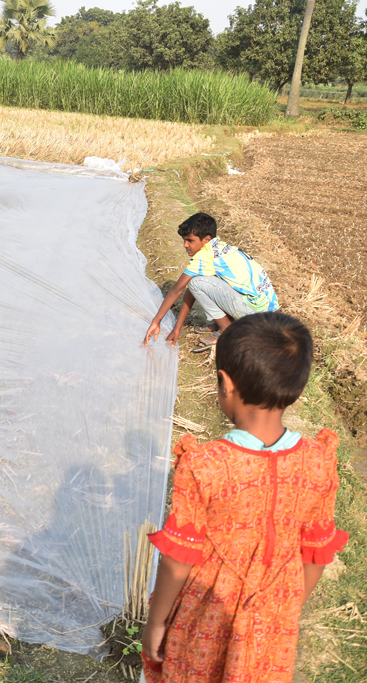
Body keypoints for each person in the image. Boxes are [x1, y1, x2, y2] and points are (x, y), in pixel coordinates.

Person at [140, 312, 347, 683]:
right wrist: (285, 608)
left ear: (225, 383)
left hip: (206, 614)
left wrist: (156, 622)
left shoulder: (204, 465)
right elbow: (315, 552)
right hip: (273, 618)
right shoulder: (319, 462)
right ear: (297, 389)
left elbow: (178, 560)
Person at [143, 213, 277, 352]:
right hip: (266, 311)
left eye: (190, 240)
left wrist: (156, 321)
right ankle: (225, 321)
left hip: (256, 315)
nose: (185, 245)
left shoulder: (204, 256)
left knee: (196, 283)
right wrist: (178, 327)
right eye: (184, 240)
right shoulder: (219, 247)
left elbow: (178, 289)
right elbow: (191, 291)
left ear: (206, 239)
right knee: (201, 282)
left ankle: (225, 329)